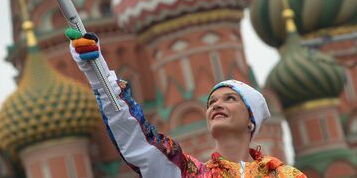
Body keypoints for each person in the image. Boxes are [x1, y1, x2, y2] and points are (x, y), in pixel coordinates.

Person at [65, 28, 306, 178]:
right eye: (211, 102)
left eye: (230, 99)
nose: (216, 105)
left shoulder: (286, 176)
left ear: (251, 121)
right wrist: (99, 74)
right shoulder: (188, 174)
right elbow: (140, 141)